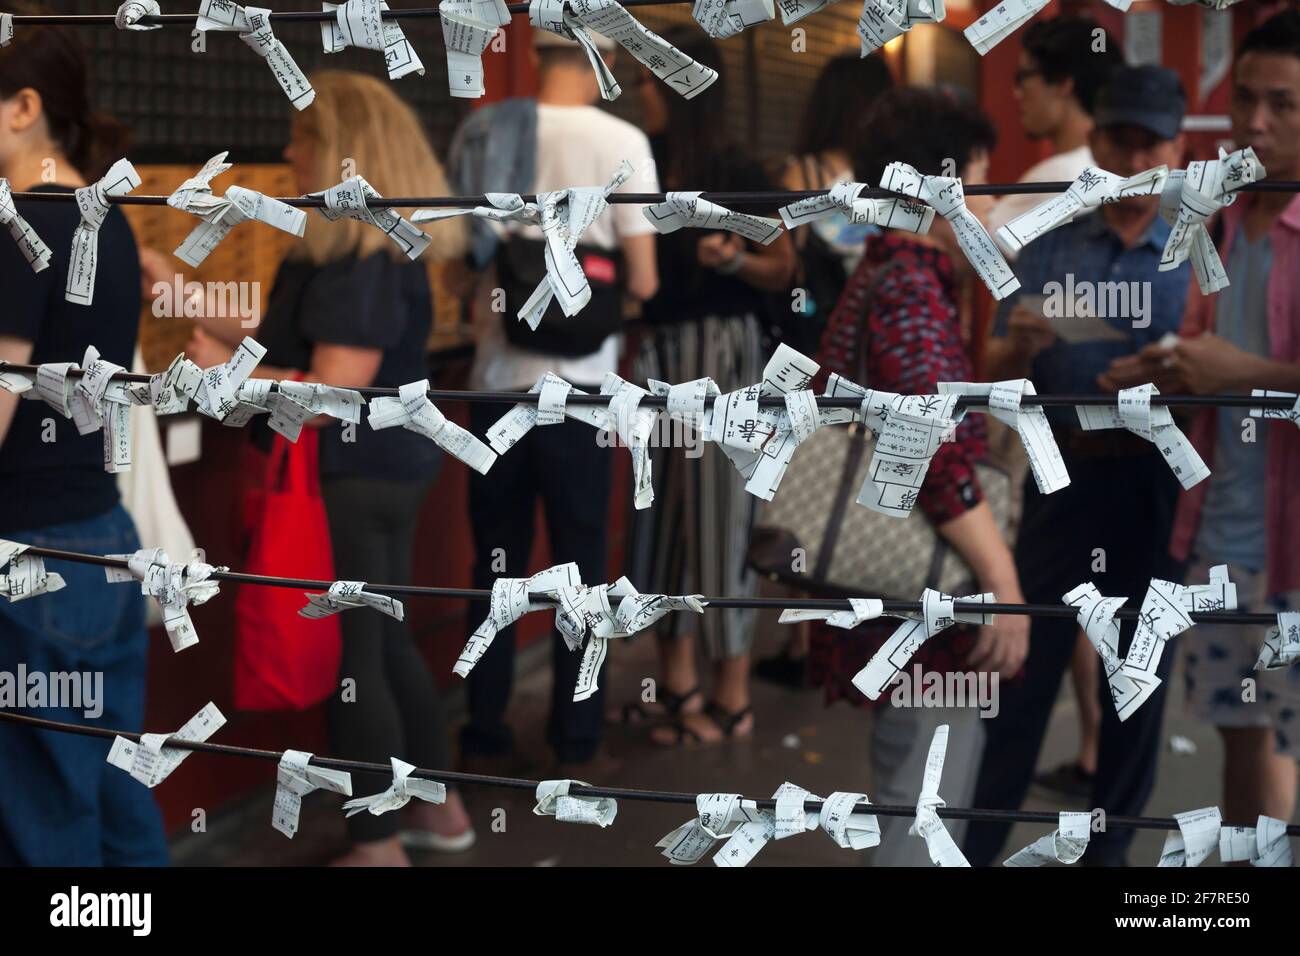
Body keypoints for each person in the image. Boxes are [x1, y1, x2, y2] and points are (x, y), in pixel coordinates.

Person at [167, 70, 474, 866]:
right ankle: (439, 813)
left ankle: (377, 845)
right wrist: (188, 303)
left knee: (356, 658)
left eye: (302, 137)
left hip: (354, 476)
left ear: (339, 151)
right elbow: (295, 349)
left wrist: (224, 379)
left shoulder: (361, 260)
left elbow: (334, 387)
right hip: (385, 468)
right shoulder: (356, 249)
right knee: (386, 642)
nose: (287, 150)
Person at [967, 66, 1193, 867]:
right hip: (1059, 480)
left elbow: (1235, 374)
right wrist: (1017, 345)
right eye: (1116, 139)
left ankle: (1110, 862)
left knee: (1136, 687)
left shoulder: (1199, 252)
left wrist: (1174, 373)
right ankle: (981, 846)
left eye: (1148, 142)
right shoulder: (1049, 243)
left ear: (1173, 150)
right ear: (1092, 143)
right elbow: (987, 367)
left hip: (1155, 487)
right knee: (1021, 678)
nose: (1131, 158)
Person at [805, 87, 1030, 865]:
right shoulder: (908, 289)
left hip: (899, 595)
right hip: (925, 609)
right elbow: (929, 458)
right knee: (923, 820)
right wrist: (1005, 587)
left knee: (913, 797)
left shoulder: (891, 275)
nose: (995, 201)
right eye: (984, 180)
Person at [448, 29, 659, 777]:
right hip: (584, 398)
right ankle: (575, 742)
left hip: (495, 388)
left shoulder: (484, 131)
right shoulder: (623, 139)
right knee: (582, 570)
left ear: (539, 55)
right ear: (601, 65)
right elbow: (645, 281)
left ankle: (482, 733)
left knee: (495, 568)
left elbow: (455, 262)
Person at [0, 5, 168, 866]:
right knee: (114, 798)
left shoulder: (21, 225)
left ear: (23, 106)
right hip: (104, 542)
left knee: (43, 821)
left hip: (29, 558)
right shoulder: (105, 218)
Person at [1128, 10, 1300, 834]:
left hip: (1293, 542)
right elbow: (1206, 351)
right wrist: (1167, 367)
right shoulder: (1223, 219)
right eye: (1245, 102)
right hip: (1224, 532)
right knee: (1241, 743)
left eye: (1283, 105)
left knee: (1284, 749)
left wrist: (1247, 377)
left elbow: (1243, 369)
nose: (1255, 124)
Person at [612, 26, 796, 746]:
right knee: (660, 527)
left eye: (649, 82)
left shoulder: (733, 164)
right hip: (658, 355)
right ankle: (678, 688)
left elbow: (784, 269)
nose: (639, 96)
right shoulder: (639, 163)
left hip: (724, 354)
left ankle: (733, 698)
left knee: (722, 525)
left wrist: (732, 260)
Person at [756, 51, 894, 690]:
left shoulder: (799, 173)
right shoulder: (893, 181)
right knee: (859, 491)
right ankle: (852, 632)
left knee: (805, 493)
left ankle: (801, 642)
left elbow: (783, 267)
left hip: (811, 351)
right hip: (876, 354)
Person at [986, 16, 1123, 247]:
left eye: (1023, 78)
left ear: (1062, 82)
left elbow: (976, 237)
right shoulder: (1114, 166)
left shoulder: (1060, 174)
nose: (1017, 93)